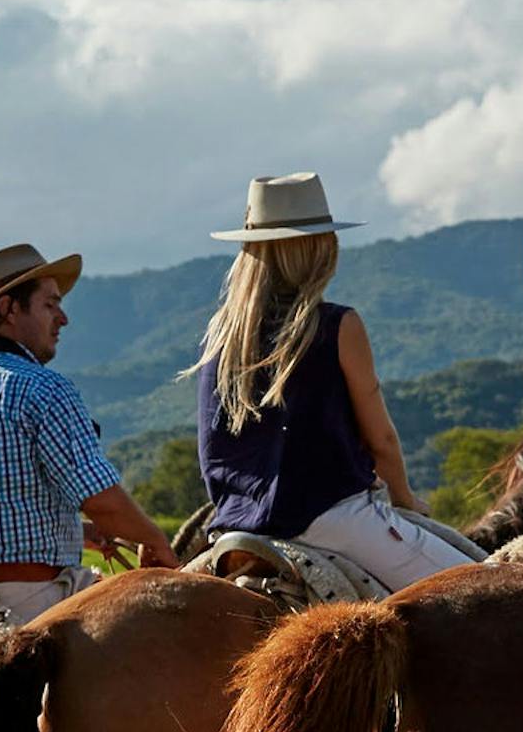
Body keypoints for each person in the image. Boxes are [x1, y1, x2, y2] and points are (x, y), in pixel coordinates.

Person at [195, 173, 479, 592]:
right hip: (332, 519)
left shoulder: (221, 334)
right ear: (319, 248)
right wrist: (404, 498)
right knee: (485, 590)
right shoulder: (337, 326)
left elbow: (211, 452)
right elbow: (380, 438)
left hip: (235, 528)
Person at [0, 241, 180, 624]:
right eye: (50, 304)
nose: (63, 318)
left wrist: (71, 529)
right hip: (26, 598)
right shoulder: (41, 388)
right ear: (9, 308)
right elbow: (102, 501)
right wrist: (156, 543)